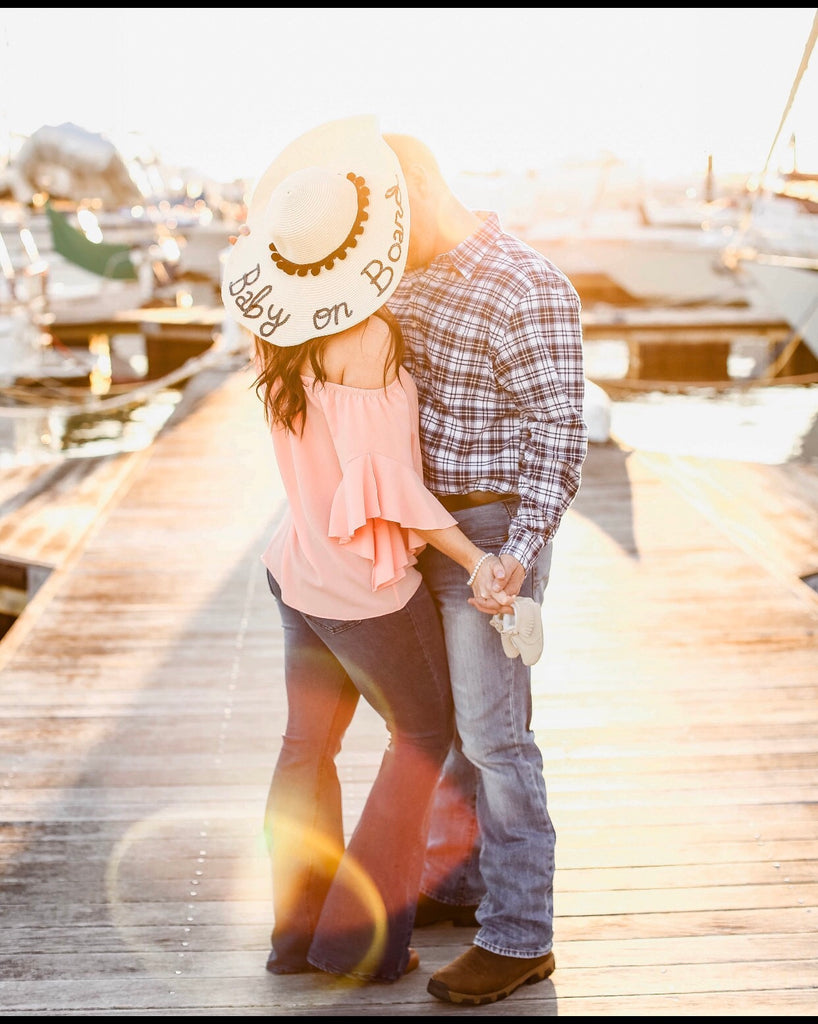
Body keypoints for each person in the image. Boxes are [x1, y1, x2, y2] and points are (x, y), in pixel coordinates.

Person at [220, 115, 510, 985]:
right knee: (423, 734)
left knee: (303, 749)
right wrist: (475, 557)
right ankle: (362, 941)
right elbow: (391, 492)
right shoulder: (371, 335)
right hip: (361, 585)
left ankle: (296, 937)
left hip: (298, 565)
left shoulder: (276, 329)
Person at [384, 131, 589, 1006]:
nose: (384, 245)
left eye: (394, 219)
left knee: (498, 738)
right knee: (451, 728)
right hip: (422, 531)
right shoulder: (396, 277)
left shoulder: (528, 284)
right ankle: (461, 882)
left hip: (495, 528)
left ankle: (519, 936)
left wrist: (517, 554)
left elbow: (558, 434)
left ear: (424, 185)